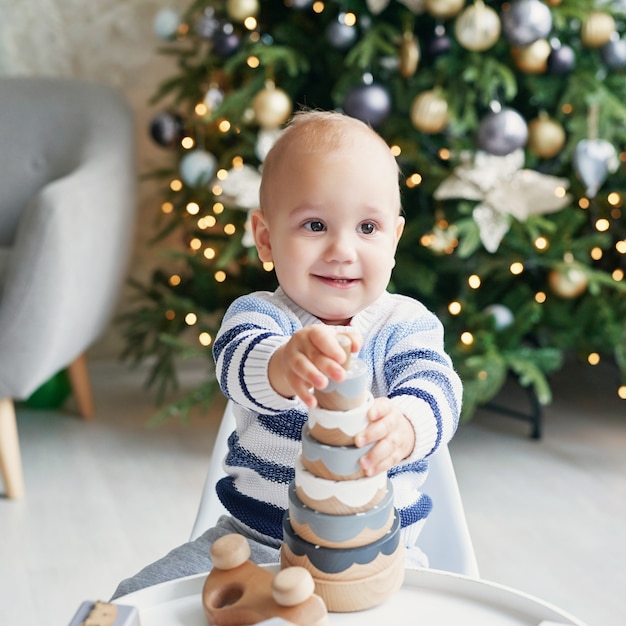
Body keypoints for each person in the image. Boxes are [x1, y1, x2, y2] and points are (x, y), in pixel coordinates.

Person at [112, 110, 462, 599]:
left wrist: (405, 424)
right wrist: (280, 364)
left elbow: (438, 388)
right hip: (255, 545)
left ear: (395, 240)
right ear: (265, 238)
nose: (342, 249)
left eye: (367, 227)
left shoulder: (403, 323)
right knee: (131, 600)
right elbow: (237, 367)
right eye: (315, 224)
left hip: (381, 554)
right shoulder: (260, 316)